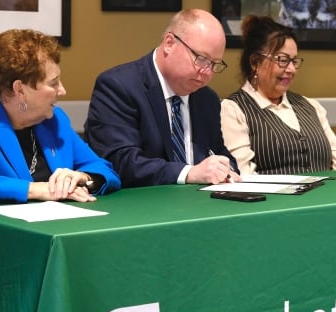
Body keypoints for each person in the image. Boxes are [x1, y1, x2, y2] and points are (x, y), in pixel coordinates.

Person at [0, 29, 120, 205]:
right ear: (20, 90)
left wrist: (83, 177)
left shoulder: (55, 120)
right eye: (53, 83)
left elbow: (102, 168)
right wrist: (35, 190)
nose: (62, 90)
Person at [84, 9, 239, 188]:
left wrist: (228, 170)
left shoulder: (207, 99)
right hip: (143, 208)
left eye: (214, 64)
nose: (208, 73)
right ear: (169, 43)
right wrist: (189, 173)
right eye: (201, 59)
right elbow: (120, 161)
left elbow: (218, 151)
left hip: (202, 204)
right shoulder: (118, 86)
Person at [220, 15, 336, 175]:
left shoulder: (311, 106)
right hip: (272, 199)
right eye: (282, 60)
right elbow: (242, 173)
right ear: (255, 62)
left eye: (294, 61)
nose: (291, 69)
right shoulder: (233, 110)